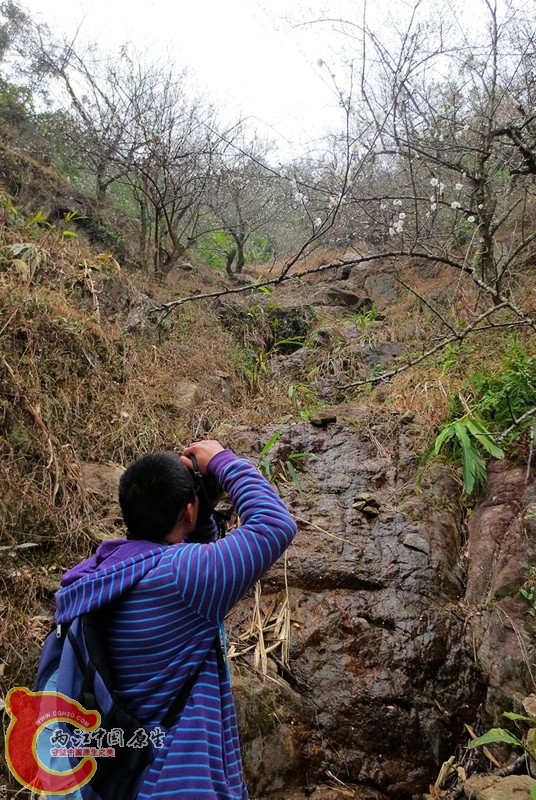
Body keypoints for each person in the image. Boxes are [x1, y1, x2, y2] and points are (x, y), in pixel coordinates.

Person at [53, 440, 296, 800]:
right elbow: (274, 524)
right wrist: (222, 461)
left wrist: (200, 511)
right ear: (186, 512)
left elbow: (187, 547)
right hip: (180, 781)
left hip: (130, 778)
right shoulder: (183, 577)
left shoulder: (103, 572)